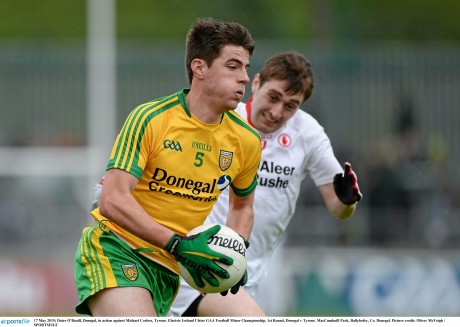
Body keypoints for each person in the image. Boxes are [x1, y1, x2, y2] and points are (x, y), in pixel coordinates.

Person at [93, 51, 363, 316]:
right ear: (256, 83)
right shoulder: (224, 120)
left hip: (244, 270)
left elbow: (338, 208)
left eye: (291, 105)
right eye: (273, 97)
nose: (277, 111)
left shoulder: (309, 134)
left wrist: (347, 201)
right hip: (198, 258)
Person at [74, 17, 261, 317]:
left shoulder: (247, 140)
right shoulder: (150, 119)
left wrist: (235, 251)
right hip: (117, 250)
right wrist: (177, 243)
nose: (244, 78)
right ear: (199, 68)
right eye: (233, 66)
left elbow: (242, 206)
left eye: (246, 69)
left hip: (172, 271)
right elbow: (112, 199)